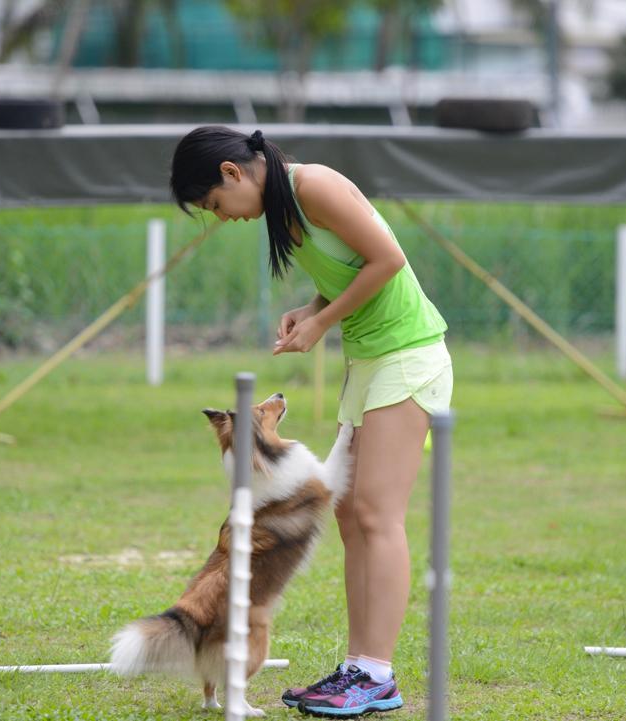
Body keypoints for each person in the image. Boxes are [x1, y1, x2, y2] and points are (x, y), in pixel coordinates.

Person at [170, 126, 452, 718]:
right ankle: (359, 666)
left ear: (232, 172)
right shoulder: (286, 210)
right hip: (371, 360)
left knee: (377, 514)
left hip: (409, 355)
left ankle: (376, 673)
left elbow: (389, 260)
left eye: (216, 206)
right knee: (350, 513)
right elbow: (354, 272)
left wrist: (323, 325)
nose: (223, 218)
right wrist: (315, 306)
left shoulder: (312, 185)